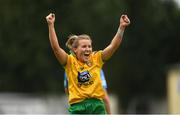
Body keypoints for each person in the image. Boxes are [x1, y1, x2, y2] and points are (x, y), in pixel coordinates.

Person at [46, 12, 130, 114]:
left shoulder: (96, 58)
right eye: (84, 46)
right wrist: (51, 25)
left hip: (97, 107)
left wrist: (121, 27)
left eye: (89, 46)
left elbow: (113, 46)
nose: (88, 49)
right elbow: (56, 48)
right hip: (77, 108)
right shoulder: (69, 62)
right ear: (75, 49)